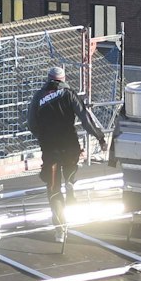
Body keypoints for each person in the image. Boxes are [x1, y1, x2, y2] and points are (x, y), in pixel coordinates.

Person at [27, 66, 106, 241]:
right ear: (63, 79)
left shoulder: (38, 97)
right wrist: (100, 137)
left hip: (51, 150)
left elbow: (31, 123)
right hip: (70, 147)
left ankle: (60, 229)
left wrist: (42, 137)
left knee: (54, 189)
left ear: (48, 78)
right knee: (69, 172)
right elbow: (85, 118)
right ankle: (70, 182)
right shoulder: (69, 94)